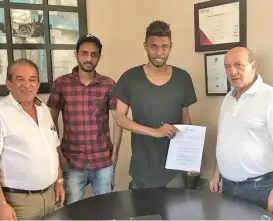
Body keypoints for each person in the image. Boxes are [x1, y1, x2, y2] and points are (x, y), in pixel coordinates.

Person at [112, 20, 198, 189]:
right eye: (153, 47)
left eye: (164, 47)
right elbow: (120, 118)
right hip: (142, 168)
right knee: (144, 215)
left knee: (174, 215)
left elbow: (185, 118)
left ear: (170, 47)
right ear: (145, 46)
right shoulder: (130, 78)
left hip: (174, 169)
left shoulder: (183, 78)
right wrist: (154, 132)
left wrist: (191, 157)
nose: (159, 52)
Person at [47, 34, 122, 205]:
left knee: (106, 211)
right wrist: (59, 156)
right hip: (72, 161)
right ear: (76, 54)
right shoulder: (61, 84)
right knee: (73, 212)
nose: (89, 59)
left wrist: (115, 154)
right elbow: (51, 120)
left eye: (93, 54)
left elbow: (119, 119)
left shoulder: (108, 84)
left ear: (98, 57)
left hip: (103, 160)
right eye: (84, 53)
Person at [210, 46, 273, 212]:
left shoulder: (269, 98)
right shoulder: (227, 99)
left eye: (238, 65)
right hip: (229, 187)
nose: (232, 72)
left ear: (253, 66)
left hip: (260, 189)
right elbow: (224, 138)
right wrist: (217, 173)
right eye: (227, 66)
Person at [0, 58, 64, 220]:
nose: (27, 85)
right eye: (20, 79)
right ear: (8, 83)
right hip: (18, 203)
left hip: (50, 198)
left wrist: (59, 181)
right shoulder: (2, 113)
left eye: (32, 80)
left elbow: (53, 149)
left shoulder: (43, 109)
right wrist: (2, 205)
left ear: (37, 84)